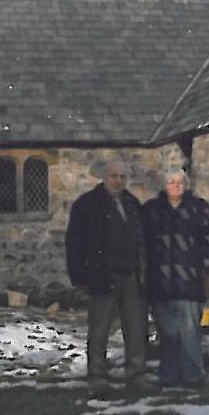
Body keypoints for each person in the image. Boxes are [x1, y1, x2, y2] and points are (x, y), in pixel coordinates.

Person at [65, 159, 152, 393]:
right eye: (114, 176)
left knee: (136, 329)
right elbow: (74, 242)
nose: (118, 181)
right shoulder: (87, 205)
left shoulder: (132, 204)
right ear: (104, 177)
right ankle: (97, 376)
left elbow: (142, 239)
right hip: (102, 276)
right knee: (99, 330)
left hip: (131, 276)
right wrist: (79, 276)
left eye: (123, 177)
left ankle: (136, 375)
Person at [140, 169, 209, 388]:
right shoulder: (151, 210)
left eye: (180, 182)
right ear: (164, 184)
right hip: (160, 281)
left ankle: (193, 375)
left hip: (190, 281)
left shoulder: (199, 209)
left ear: (186, 185)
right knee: (167, 333)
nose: (176, 185)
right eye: (171, 182)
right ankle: (169, 375)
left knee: (190, 331)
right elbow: (141, 245)